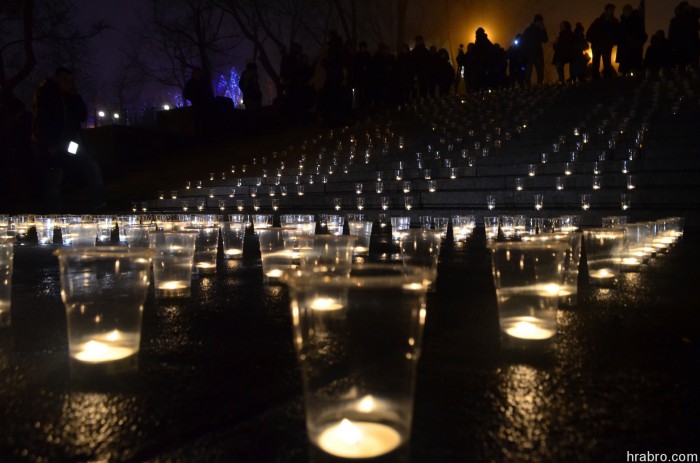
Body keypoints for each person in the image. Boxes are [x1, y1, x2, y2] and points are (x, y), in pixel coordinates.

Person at [31, 67, 104, 211]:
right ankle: (53, 211)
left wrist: (75, 95)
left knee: (89, 166)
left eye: (71, 80)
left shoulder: (68, 96)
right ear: (57, 78)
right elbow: (43, 119)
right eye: (65, 79)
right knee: (54, 174)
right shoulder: (47, 93)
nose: (68, 83)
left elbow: (82, 115)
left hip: (70, 141)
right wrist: (49, 143)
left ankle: (99, 203)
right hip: (55, 141)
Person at [587, 4, 620, 78]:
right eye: (610, 10)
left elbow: (617, 34)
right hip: (598, 45)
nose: (611, 12)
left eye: (612, 10)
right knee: (596, 63)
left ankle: (606, 79)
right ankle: (596, 79)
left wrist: (613, 42)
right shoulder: (598, 21)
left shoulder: (614, 22)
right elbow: (589, 33)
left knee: (607, 63)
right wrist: (594, 41)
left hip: (606, 46)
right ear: (606, 10)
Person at [616, 3, 648, 74]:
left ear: (631, 11)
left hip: (634, 51)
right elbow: (618, 36)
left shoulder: (637, 21)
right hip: (624, 51)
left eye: (628, 11)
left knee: (634, 70)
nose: (626, 12)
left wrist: (639, 43)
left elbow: (643, 35)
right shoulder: (621, 23)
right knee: (624, 71)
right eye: (625, 11)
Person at [183, 67, 214, 136]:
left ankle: (206, 136)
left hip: (205, 104)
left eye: (199, 73)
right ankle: (198, 138)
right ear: (194, 74)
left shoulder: (204, 82)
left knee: (205, 121)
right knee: (197, 121)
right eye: (197, 73)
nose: (199, 74)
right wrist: (193, 98)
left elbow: (210, 92)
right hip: (196, 105)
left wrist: (210, 100)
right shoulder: (190, 83)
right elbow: (185, 94)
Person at [668, 1, 700, 68]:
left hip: (692, 47)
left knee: (693, 68)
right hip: (680, 48)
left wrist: (691, 8)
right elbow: (671, 35)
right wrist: (672, 48)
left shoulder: (692, 17)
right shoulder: (675, 21)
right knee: (682, 67)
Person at [521, 14, 549, 88]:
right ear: (535, 22)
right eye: (539, 22)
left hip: (537, 53)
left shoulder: (538, 30)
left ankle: (538, 84)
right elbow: (523, 41)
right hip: (531, 54)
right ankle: (528, 85)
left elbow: (545, 40)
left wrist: (543, 29)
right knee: (529, 70)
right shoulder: (529, 30)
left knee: (539, 70)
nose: (540, 23)